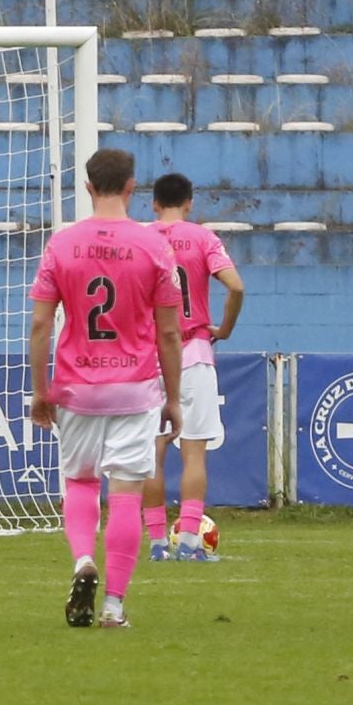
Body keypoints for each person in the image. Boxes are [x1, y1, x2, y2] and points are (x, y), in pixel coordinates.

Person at [29, 148, 183, 629]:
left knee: (79, 481)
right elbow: (170, 331)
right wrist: (174, 398)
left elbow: (40, 325)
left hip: (77, 386)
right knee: (126, 495)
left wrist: (40, 390)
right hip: (135, 388)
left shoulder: (61, 244)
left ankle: (83, 561)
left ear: (88, 187)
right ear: (132, 187)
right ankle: (114, 607)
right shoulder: (154, 246)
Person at [144, 172, 247, 563]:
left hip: (150, 356)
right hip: (194, 353)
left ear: (154, 203)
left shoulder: (141, 239)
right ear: (189, 203)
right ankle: (189, 543)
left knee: (152, 451)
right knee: (194, 452)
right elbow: (236, 286)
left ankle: (157, 543)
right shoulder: (203, 238)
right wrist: (225, 329)